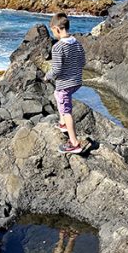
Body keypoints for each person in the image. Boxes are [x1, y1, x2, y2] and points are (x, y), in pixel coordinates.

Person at [45, 12, 86, 154]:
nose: (53, 34)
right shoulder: (77, 43)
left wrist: (47, 76)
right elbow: (82, 62)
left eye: (52, 31)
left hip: (65, 84)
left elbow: (56, 70)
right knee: (57, 95)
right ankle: (62, 124)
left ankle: (74, 143)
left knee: (66, 110)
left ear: (57, 28)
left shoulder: (57, 48)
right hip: (77, 81)